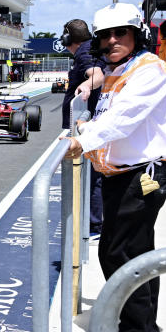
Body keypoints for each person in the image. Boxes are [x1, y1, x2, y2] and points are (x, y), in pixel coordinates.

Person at [63, 2, 166, 332]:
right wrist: (85, 126)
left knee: (123, 252)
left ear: (138, 35)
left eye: (121, 33)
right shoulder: (120, 69)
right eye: (105, 35)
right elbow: (109, 115)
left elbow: (125, 119)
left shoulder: (150, 71)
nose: (112, 40)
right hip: (122, 175)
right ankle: (136, 321)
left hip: (142, 175)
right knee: (127, 251)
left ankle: (141, 330)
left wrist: (81, 141)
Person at [60, 19, 105, 236]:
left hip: (83, 125)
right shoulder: (89, 49)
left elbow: (97, 75)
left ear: (68, 39)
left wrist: (87, 85)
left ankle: (94, 224)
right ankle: (93, 221)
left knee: (91, 175)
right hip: (84, 122)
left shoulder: (84, 52)